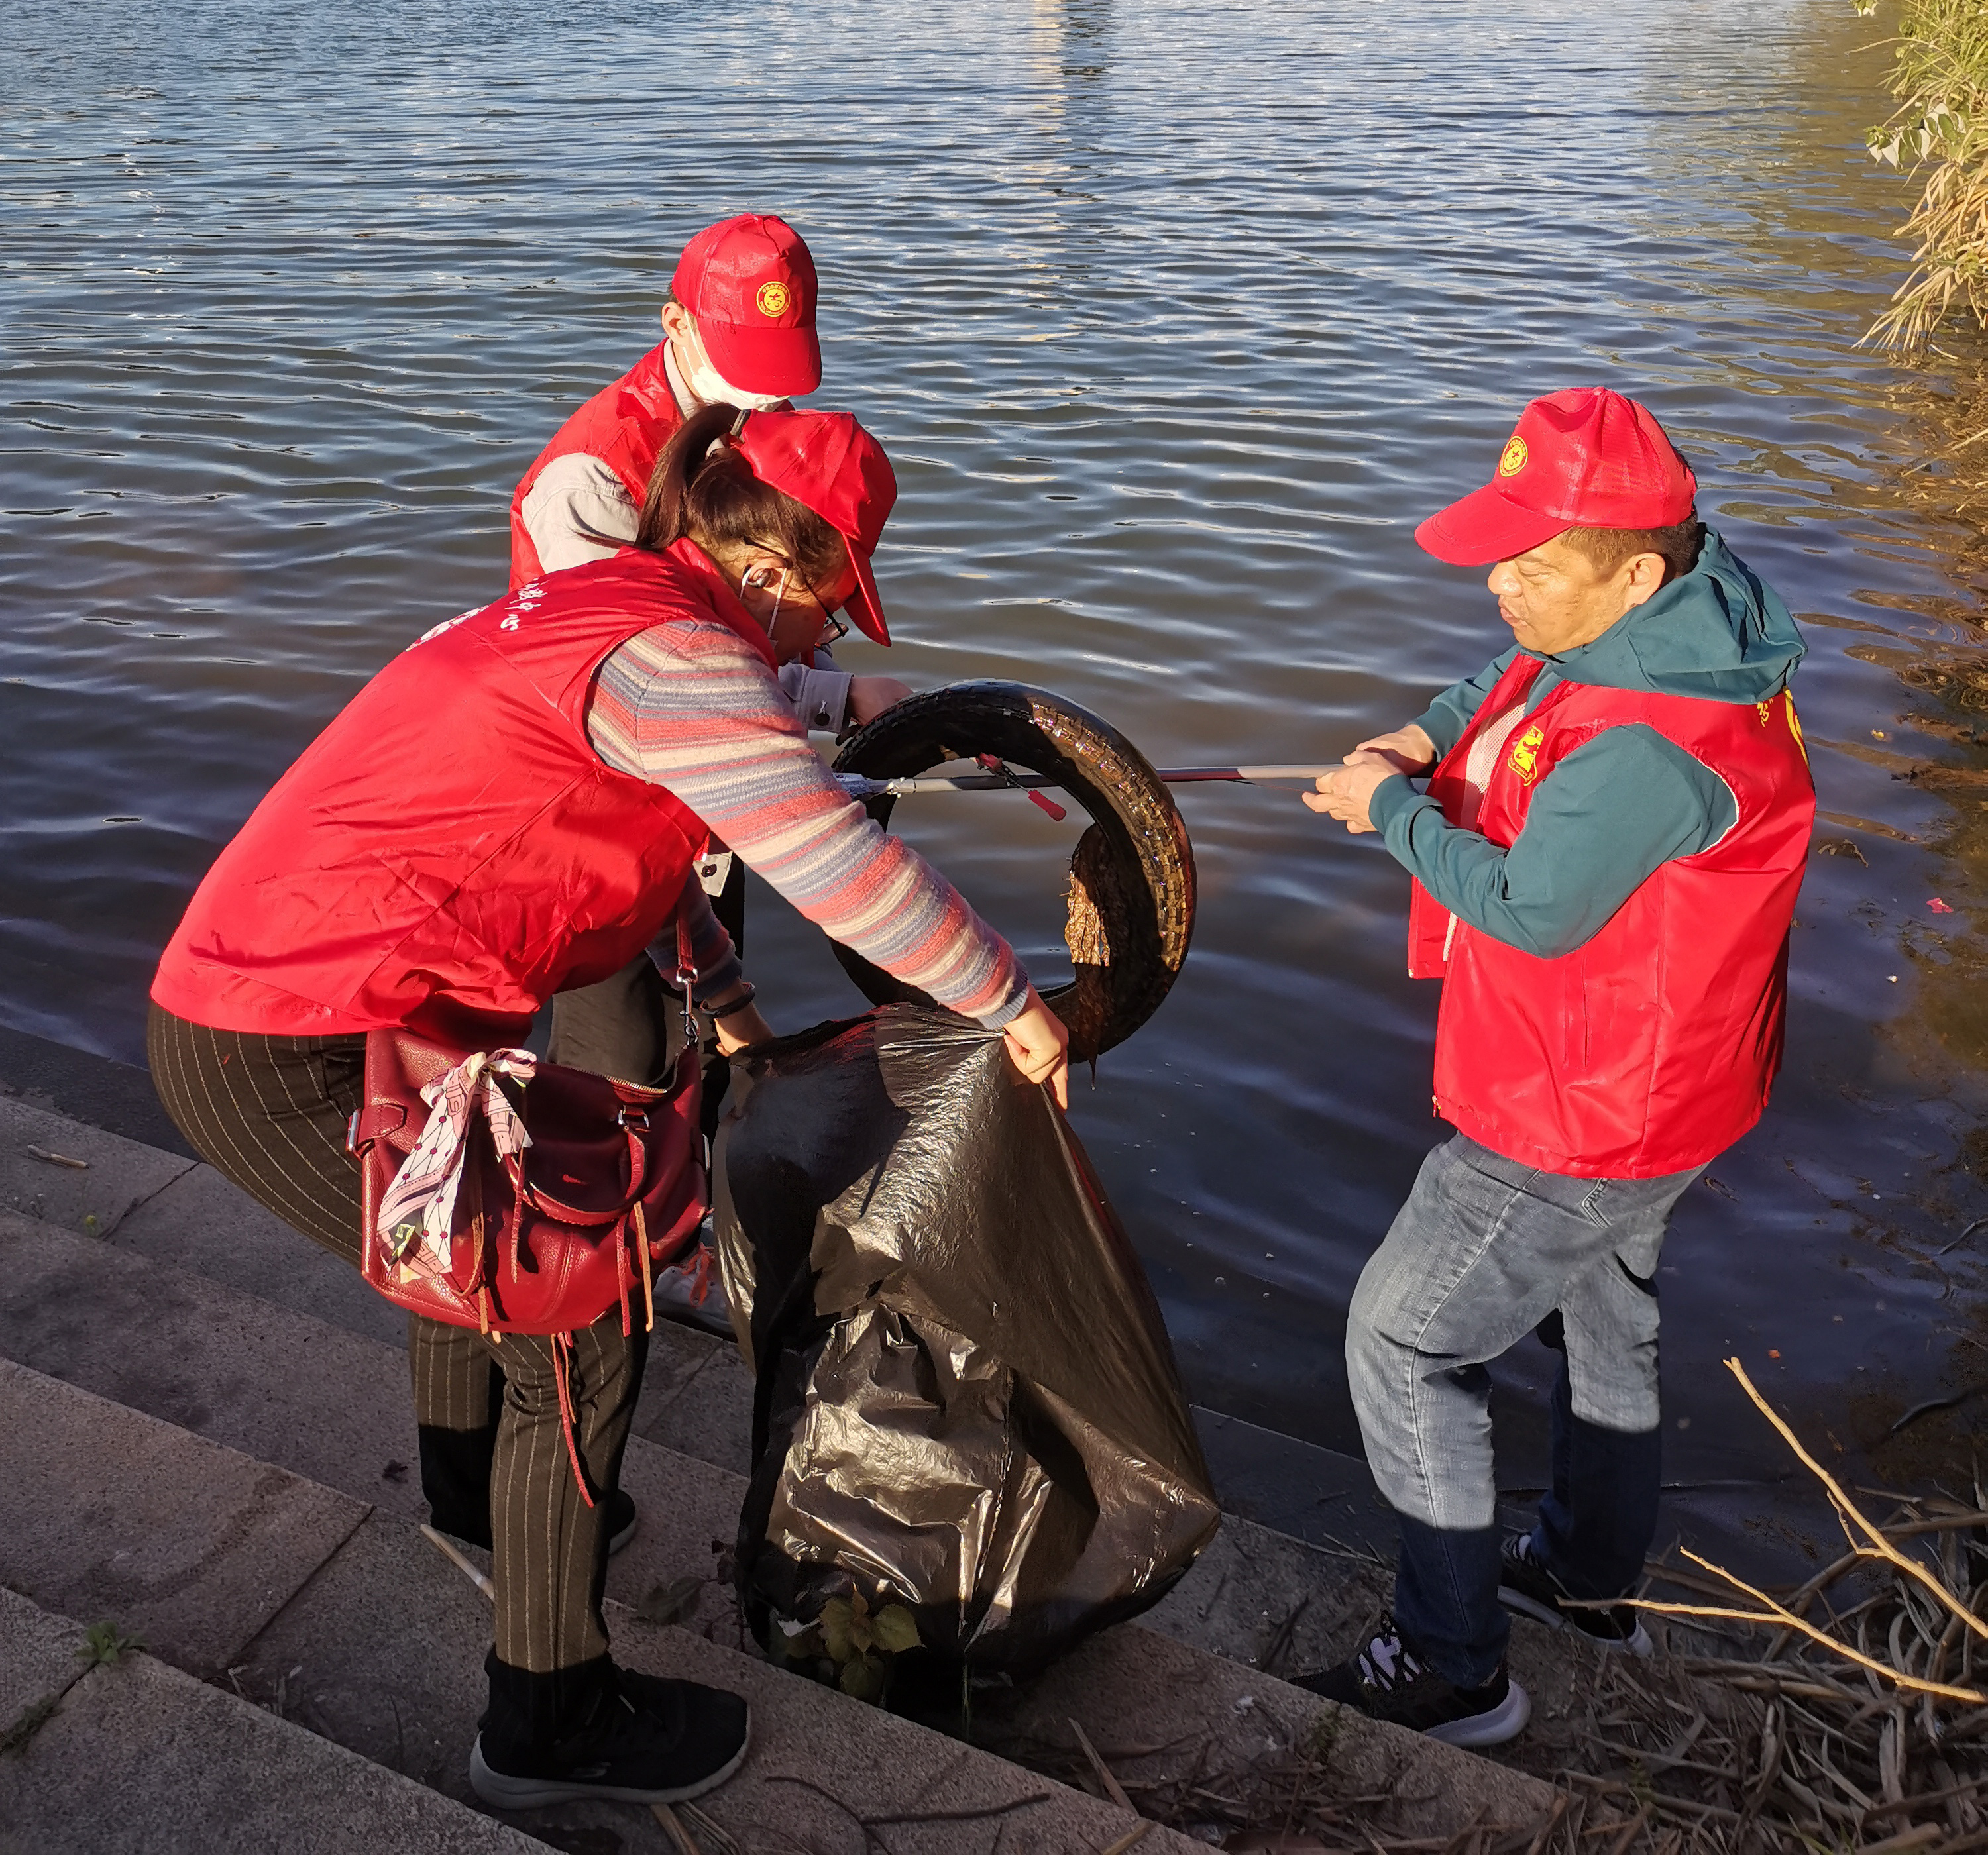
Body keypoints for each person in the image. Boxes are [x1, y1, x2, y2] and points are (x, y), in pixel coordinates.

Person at [148, 399, 1071, 1814]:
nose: (829, 639)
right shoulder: (686, 662)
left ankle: (475, 1501)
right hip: (287, 1040)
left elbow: (636, 854)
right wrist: (1014, 1003)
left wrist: (728, 997)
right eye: (834, 606)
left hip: (329, 1000)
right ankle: (549, 1719)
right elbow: (840, 867)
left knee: (487, 1268)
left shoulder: (617, 603)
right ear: (774, 568)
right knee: (578, 1320)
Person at [1295, 388, 1813, 1749]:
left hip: (1582, 1105)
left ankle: (1452, 1664)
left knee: (1403, 1339)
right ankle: (1587, 1582)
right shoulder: (1671, 621)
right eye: (1500, 555)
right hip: (1682, 1084)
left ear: (1635, 572)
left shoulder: (1653, 743)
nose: (1499, 585)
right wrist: (1421, 738)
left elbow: (1529, 907)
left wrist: (1391, 812)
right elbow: (1507, 682)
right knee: (1604, 1321)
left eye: (1531, 563)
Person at [513, 211, 908, 1095]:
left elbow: (774, 608)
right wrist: (825, 702)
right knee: (623, 1076)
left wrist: (844, 695)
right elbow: (651, 684)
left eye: (783, 374)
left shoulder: (758, 423)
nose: (766, 403)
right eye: (746, 370)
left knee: (707, 1055)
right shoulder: (592, 477)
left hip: (700, 805)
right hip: (593, 814)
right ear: (676, 324)